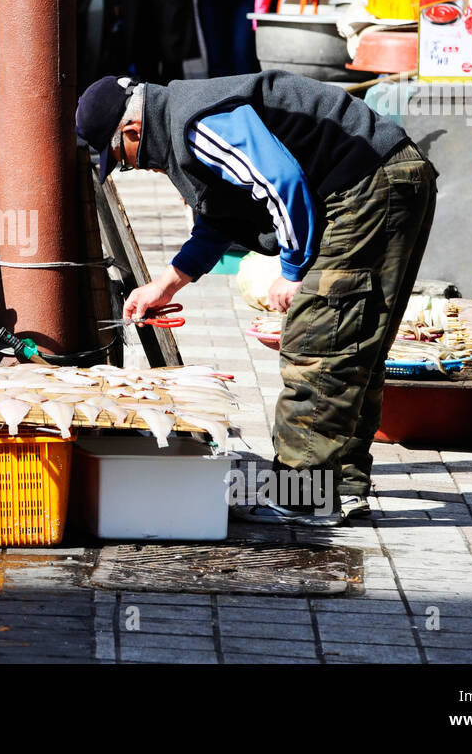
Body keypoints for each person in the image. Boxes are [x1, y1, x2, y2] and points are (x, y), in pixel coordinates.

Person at [75, 72, 437, 526]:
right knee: (351, 339)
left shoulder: (198, 124)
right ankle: (340, 486)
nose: (135, 168)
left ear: (131, 131)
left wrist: (293, 269)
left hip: (368, 185)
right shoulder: (182, 122)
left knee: (318, 345)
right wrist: (165, 285)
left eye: (123, 161)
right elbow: (220, 217)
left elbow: (279, 182)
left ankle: (303, 497)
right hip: (385, 177)